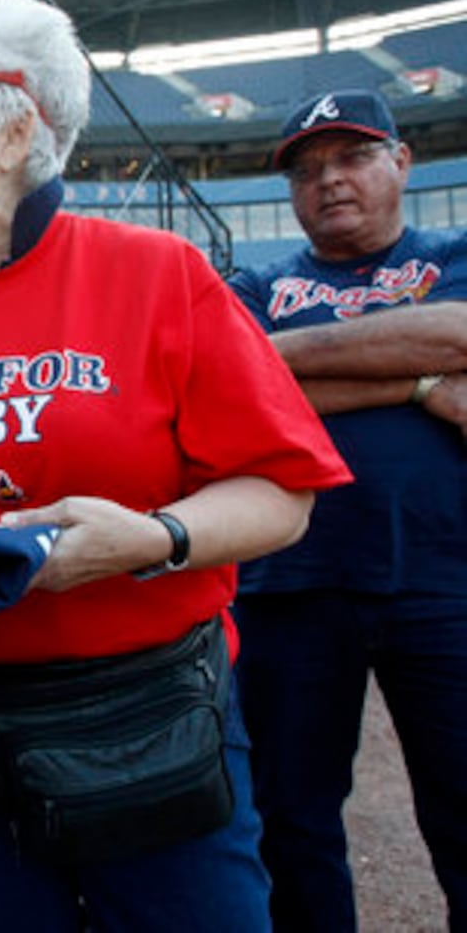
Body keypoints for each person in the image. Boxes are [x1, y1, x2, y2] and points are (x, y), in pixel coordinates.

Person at [0, 0, 352, 930]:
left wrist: (155, 539)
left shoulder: (157, 272)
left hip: (146, 722)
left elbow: (283, 491)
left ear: (18, 129)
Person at [227, 88, 467, 932]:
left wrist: (284, 363)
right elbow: (230, 379)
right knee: (291, 818)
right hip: (289, 579)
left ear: (401, 162)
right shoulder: (256, 282)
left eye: (353, 156)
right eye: (306, 167)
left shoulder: (459, 252)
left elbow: (464, 331)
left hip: (449, 578)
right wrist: (417, 378)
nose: (329, 180)